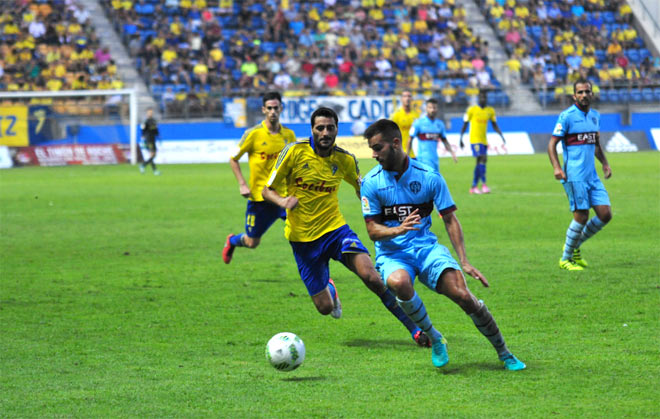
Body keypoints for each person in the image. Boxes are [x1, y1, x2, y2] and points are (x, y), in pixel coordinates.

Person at [361, 119, 526, 371]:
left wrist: (465, 261)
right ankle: (435, 337)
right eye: (372, 149)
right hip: (393, 253)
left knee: (464, 296)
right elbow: (372, 230)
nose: (373, 155)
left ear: (395, 143)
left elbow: (450, 218)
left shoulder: (429, 177)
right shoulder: (371, 183)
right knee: (399, 283)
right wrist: (398, 228)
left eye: (377, 148)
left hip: (426, 249)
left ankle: (504, 353)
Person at [262, 107, 431, 347]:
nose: (325, 132)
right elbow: (266, 190)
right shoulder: (294, 152)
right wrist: (283, 201)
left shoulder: (345, 159)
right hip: (302, 240)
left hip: (335, 231)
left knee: (372, 277)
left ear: (336, 130)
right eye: (320, 128)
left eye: (330, 128)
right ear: (312, 129)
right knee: (324, 308)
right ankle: (329, 288)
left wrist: (390, 211)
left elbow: (363, 190)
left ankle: (415, 330)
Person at [223, 92, 296, 264]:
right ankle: (232, 241)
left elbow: (294, 164)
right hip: (260, 198)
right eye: (269, 108)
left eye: (275, 108)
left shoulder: (289, 136)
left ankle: (319, 275)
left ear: (281, 109)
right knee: (252, 242)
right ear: (263, 110)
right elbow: (233, 159)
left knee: (304, 233)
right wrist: (242, 184)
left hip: (284, 197)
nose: (273, 111)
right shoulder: (253, 134)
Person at [548, 79, 612, 271]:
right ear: (574, 95)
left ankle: (575, 246)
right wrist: (557, 168)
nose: (584, 95)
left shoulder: (595, 116)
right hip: (574, 175)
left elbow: (595, 144)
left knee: (605, 214)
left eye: (587, 92)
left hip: (592, 175)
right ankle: (565, 259)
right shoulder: (567, 116)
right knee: (581, 216)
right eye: (580, 92)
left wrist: (605, 163)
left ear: (592, 94)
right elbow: (552, 144)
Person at [459, 91, 506, 194]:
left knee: (480, 162)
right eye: (481, 97)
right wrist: (461, 138)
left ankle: (473, 187)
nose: (482, 99)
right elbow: (465, 124)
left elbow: (494, 124)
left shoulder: (490, 111)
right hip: (474, 140)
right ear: (478, 99)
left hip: (484, 140)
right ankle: (484, 185)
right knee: (483, 158)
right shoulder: (471, 110)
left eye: (484, 97)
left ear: (486, 98)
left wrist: (501, 135)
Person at [407, 98, 457, 173]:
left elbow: (444, 140)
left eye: (434, 107)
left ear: (437, 109)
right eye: (430, 107)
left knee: (435, 182)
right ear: (426, 108)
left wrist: (452, 153)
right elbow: (410, 139)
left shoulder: (439, 124)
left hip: (435, 160)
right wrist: (407, 155)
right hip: (423, 160)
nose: (432, 110)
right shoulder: (419, 123)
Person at [390, 90, 420, 159]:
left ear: (412, 99)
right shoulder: (396, 115)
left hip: (413, 154)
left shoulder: (416, 115)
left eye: (409, 96)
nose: (407, 98)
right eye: (405, 96)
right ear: (401, 99)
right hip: (399, 153)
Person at [139, 108, 160, 175]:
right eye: (149, 112)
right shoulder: (145, 121)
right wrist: (142, 137)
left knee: (153, 155)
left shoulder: (154, 121)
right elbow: (143, 130)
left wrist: (158, 135)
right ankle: (153, 170)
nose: (151, 113)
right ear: (147, 113)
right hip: (148, 139)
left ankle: (144, 166)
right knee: (152, 154)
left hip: (153, 139)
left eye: (151, 112)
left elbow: (156, 130)